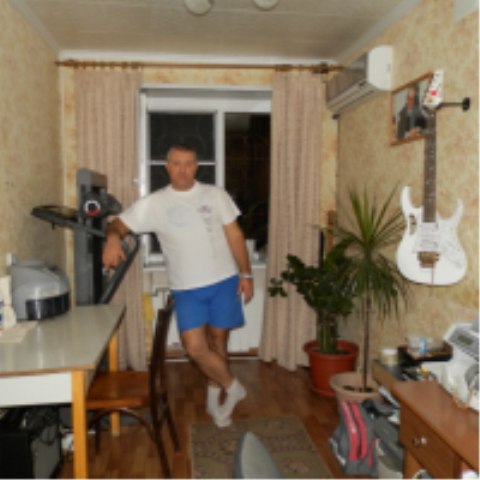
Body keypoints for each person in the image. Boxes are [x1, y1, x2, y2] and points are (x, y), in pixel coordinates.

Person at [102, 143, 254, 428]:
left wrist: (246, 274)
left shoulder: (215, 195)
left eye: (189, 163)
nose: (183, 169)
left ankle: (214, 398)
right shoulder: (154, 203)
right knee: (195, 348)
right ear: (167, 167)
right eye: (176, 163)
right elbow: (118, 225)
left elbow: (235, 235)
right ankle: (233, 388)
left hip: (224, 280)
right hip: (186, 288)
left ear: (196, 167)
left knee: (218, 342)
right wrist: (112, 240)